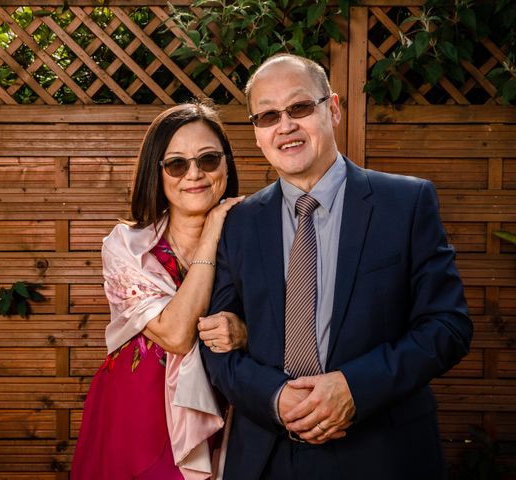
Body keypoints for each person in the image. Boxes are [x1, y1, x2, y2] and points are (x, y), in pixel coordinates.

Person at [199, 54, 473, 479]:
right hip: (267, 458)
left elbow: (447, 325)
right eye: (268, 116)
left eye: (300, 107)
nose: (285, 125)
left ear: (334, 108)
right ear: (257, 134)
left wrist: (355, 388)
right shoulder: (238, 222)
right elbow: (216, 347)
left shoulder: (406, 203)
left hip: (383, 453)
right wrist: (275, 397)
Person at [71, 100, 246, 480]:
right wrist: (213, 226)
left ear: (227, 164)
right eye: (177, 164)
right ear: (158, 172)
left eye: (209, 159)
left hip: (224, 412)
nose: (194, 174)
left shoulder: (254, 238)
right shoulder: (125, 247)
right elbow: (176, 335)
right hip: (134, 417)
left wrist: (244, 331)